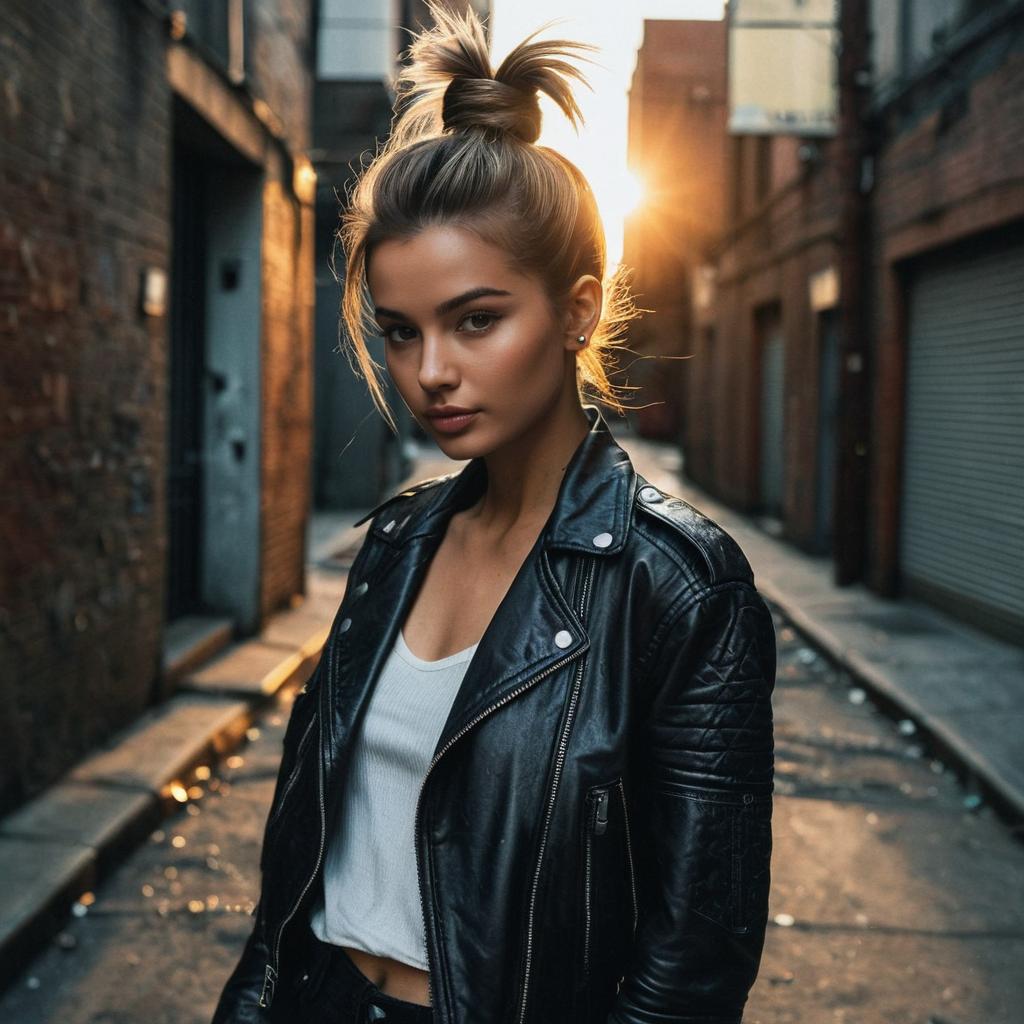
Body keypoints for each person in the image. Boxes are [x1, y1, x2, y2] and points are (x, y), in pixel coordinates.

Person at [211, 4, 776, 1022]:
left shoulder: (678, 589)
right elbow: (296, 864)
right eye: (399, 331)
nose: (431, 372)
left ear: (576, 309)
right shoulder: (397, 543)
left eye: (476, 320)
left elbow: (693, 963)